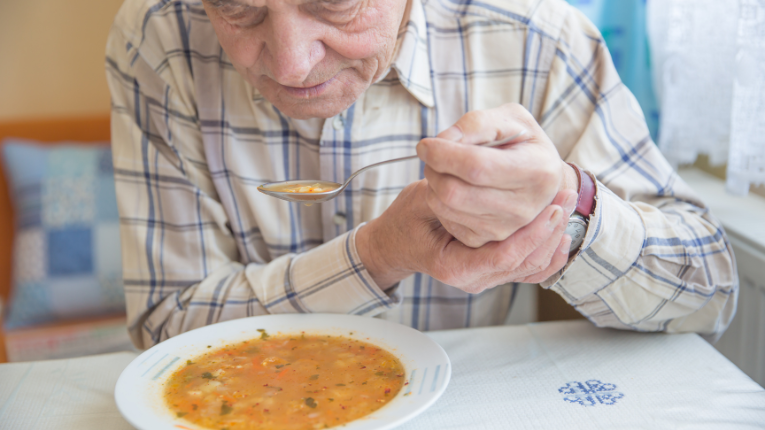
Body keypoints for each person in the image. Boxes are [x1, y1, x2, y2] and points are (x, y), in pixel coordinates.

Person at [106, 0, 737, 349]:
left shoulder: (538, 39)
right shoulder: (160, 40)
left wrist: (568, 212)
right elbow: (166, 325)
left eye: (332, 2)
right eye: (238, 9)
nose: (293, 65)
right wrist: (378, 252)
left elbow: (710, 292)